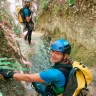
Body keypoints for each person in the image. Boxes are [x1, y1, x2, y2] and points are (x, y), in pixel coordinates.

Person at [0, 39, 72, 96]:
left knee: (34, 80)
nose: (53, 55)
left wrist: (9, 74)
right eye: (53, 51)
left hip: (55, 93)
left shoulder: (54, 73)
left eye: (58, 53)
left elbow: (28, 78)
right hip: (64, 88)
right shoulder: (69, 63)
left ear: (65, 56)